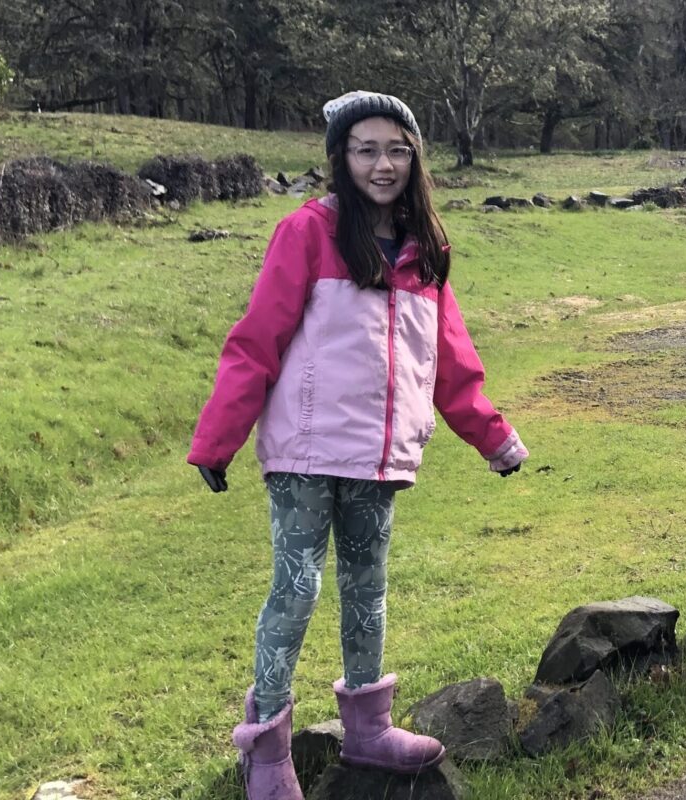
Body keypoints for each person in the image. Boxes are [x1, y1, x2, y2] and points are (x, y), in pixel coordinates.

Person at [187, 91, 528, 798]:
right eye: (367, 149)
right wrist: (217, 440)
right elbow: (257, 342)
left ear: (415, 159)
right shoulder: (307, 233)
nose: (383, 164)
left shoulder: (427, 249)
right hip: (305, 453)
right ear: (342, 157)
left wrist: (493, 437)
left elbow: (450, 361)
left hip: (380, 459)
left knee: (367, 586)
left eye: (397, 150)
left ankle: (369, 727)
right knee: (297, 586)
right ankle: (267, 748)